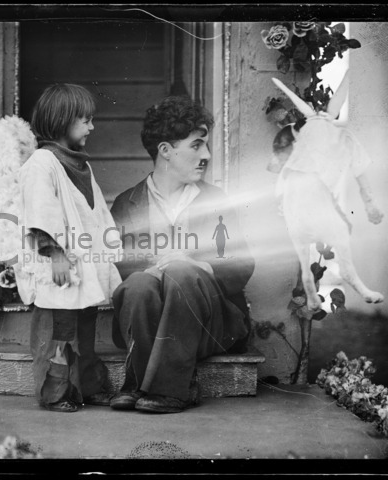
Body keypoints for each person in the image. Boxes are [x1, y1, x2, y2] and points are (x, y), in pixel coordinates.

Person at [109, 95, 255, 414]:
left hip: (208, 326)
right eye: (196, 145)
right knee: (137, 284)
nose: (206, 155)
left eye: (206, 145)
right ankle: (137, 385)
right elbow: (118, 268)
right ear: (165, 151)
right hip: (149, 322)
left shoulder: (216, 200)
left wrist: (198, 263)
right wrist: (156, 267)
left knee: (183, 272)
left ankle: (171, 389)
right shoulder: (127, 203)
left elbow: (243, 264)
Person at [18, 84, 123, 412]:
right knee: (61, 333)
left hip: (84, 265)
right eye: (85, 120)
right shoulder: (42, 162)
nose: (92, 127)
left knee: (85, 329)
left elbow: (95, 213)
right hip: (60, 267)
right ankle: (56, 393)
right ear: (63, 121)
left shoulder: (81, 165)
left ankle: (87, 387)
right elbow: (39, 210)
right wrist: (56, 253)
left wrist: (108, 252)